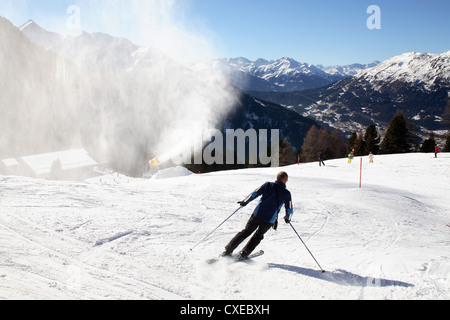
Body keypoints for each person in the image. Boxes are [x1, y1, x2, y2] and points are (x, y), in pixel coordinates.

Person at [221, 171, 293, 260]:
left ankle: (227, 251)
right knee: (258, 236)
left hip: (257, 214)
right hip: (269, 220)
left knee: (246, 232)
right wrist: (288, 218)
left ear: (277, 178)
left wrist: (245, 201)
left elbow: (255, 193)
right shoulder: (286, 193)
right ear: (285, 180)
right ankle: (244, 253)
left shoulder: (267, 185)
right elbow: (289, 207)